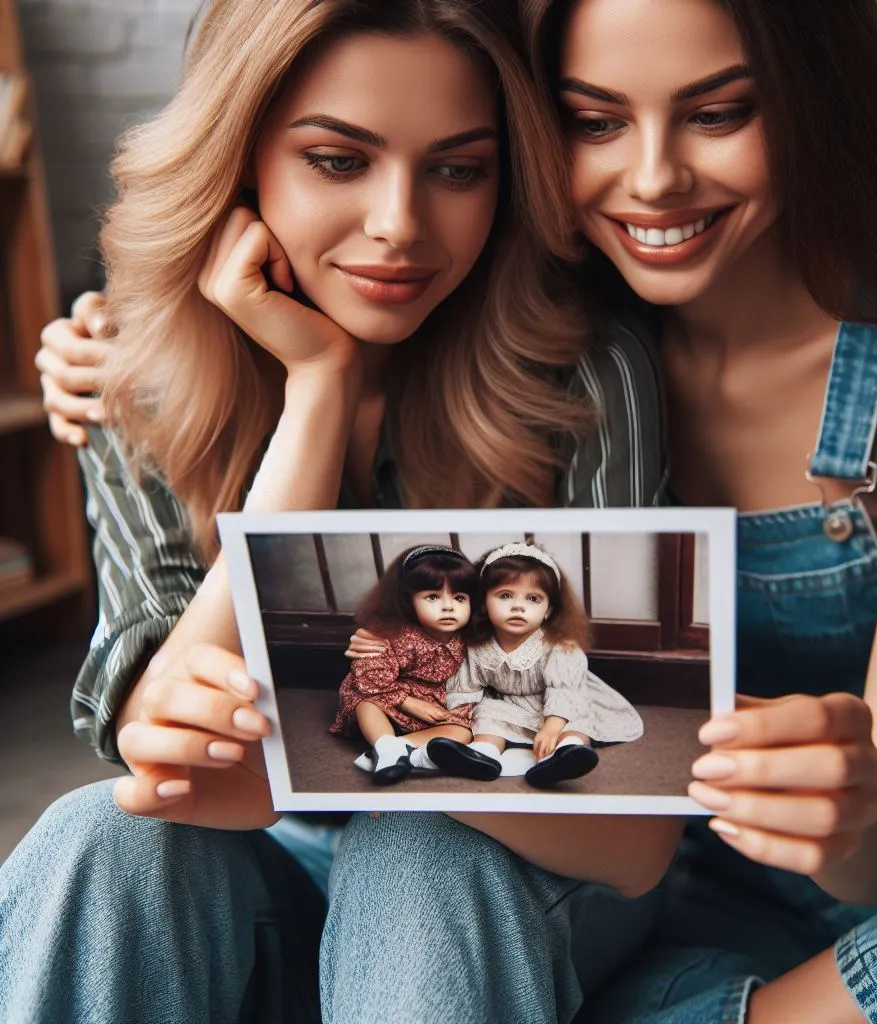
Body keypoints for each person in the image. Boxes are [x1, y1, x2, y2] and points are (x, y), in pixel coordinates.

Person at [31, 0, 877, 1020]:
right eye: (594, 122)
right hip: (657, 883)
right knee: (114, 836)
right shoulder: (540, 321)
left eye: (718, 113)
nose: (651, 179)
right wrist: (262, 377)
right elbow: (164, 743)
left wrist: (843, 822)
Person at [2, 2, 677, 1022]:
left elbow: (627, 833)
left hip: (527, 884)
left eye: (458, 169)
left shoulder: (589, 375)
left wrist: (324, 752)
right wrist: (316, 394)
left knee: (416, 849)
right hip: (279, 867)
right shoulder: (129, 368)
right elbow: (163, 751)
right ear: (241, 161)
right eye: (336, 160)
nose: (400, 223)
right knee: (102, 838)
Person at [420, 541, 645, 788]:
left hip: (559, 704)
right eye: (505, 596)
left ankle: (565, 755)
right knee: (487, 715)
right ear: (484, 603)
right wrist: (457, 717)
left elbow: (565, 692)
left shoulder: (558, 646)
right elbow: (466, 686)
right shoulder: (478, 646)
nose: (518, 606)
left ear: (548, 610)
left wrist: (551, 727)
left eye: (533, 599)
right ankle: (483, 754)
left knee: (577, 721)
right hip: (507, 703)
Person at [329, 545, 478, 784]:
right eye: (432, 597)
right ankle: (383, 741)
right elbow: (370, 678)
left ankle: (394, 750)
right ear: (408, 601)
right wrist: (408, 702)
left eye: (459, 598)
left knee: (463, 731)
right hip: (385, 693)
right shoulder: (393, 634)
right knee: (365, 702)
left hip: (434, 701)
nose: (448, 606)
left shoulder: (469, 637)